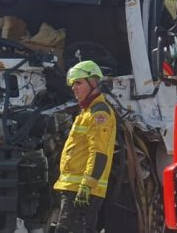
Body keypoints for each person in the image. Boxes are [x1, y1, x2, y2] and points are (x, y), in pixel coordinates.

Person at [52, 60, 117, 233]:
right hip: (76, 189)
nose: (74, 88)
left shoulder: (99, 113)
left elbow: (99, 153)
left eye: (79, 83)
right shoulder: (87, 112)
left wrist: (87, 185)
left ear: (94, 82)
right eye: (73, 84)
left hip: (82, 191)